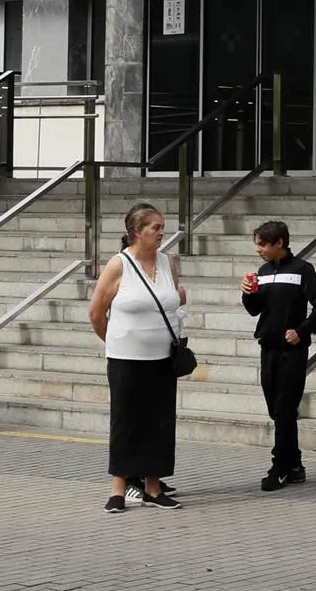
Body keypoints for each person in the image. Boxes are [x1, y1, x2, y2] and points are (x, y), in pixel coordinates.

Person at [89, 203, 187, 513]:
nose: (161, 232)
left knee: (159, 422)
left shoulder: (167, 262)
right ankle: (118, 488)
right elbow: (95, 313)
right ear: (137, 232)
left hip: (163, 357)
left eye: (162, 226)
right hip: (125, 358)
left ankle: (153, 488)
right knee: (126, 421)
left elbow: (174, 300)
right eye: (155, 227)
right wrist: (117, 341)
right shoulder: (119, 264)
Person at [240, 220, 316, 492]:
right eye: (257, 244)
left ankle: (279, 467)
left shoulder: (303, 269)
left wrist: (301, 332)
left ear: (280, 243)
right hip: (267, 348)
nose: (259, 250)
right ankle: (295, 465)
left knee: (284, 409)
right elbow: (255, 310)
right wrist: (248, 294)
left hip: (293, 351)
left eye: (263, 244)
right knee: (276, 409)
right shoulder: (264, 271)